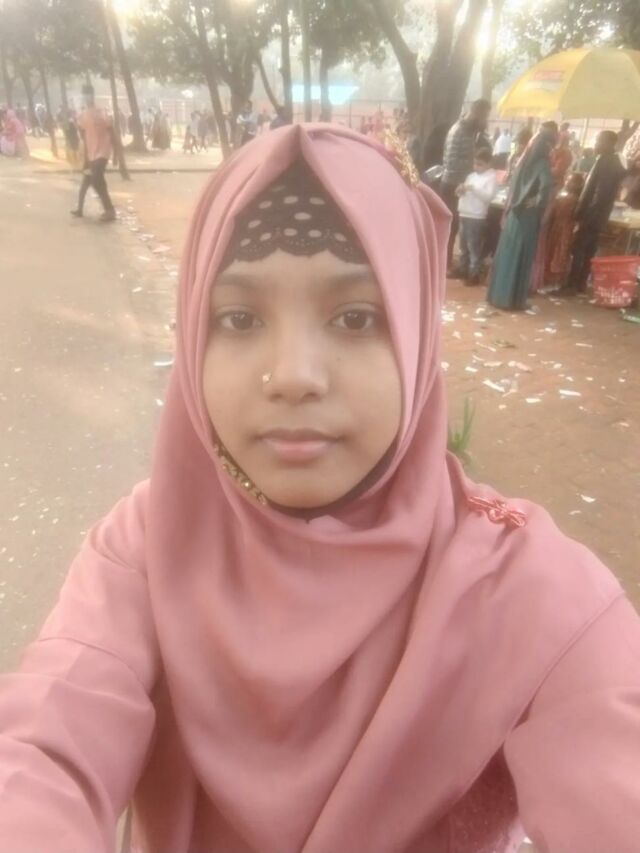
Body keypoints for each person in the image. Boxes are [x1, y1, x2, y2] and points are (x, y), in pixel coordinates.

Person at [1, 124, 640, 853]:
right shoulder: (147, 549)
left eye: (356, 317)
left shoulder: (526, 591)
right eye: (239, 318)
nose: (294, 375)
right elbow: (45, 745)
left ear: (416, 337)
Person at [487, 122, 557, 310]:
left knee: (507, 255)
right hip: (527, 217)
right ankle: (513, 300)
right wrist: (537, 201)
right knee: (521, 256)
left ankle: (498, 296)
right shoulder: (542, 164)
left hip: (513, 215)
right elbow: (546, 186)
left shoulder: (521, 162)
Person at [566, 130, 626, 295]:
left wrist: (585, 215)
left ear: (608, 143)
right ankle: (580, 284)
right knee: (588, 251)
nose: (595, 144)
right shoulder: (611, 161)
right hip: (599, 216)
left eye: (599, 140)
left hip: (592, 216)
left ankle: (572, 285)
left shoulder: (606, 162)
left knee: (580, 249)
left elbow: (599, 194)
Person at [438, 98, 492, 273]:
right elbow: (452, 162)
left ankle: (448, 263)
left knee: (454, 227)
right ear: (478, 113)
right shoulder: (460, 131)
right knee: (451, 227)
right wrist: (472, 170)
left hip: (457, 184)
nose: (486, 121)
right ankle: (444, 264)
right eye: (485, 117)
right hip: (452, 184)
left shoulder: (467, 131)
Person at [70, 85, 116, 222]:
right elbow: (83, 136)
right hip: (91, 153)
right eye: (85, 94)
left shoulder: (102, 112)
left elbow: (111, 131)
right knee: (90, 181)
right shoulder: (82, 116)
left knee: (96, 180)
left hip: (103, 151)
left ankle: (109, 210)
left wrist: (116, 153)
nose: (87, 97)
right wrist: (85, 157)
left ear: (93, 95)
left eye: (88, 94)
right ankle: (82, 209)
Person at [455, 147, 498, 284]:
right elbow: (460, 193)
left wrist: (473, 189)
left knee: (474, 247)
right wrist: (460, 190)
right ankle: (463, 269)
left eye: (480, 164)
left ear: (489, 163)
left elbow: (488, 197)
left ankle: (474, 274)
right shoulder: (471, 176)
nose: (476, 167)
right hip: (464, 212)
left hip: (476, 216)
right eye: (475, 163)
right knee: (463, 246)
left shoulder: (491, 178)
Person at [542, 171, 585, 288]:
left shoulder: (565, 198)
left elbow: (552, 212)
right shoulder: (576, 200)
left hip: (561, 228)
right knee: (560, 254)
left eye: (569, 181)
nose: (566, 182)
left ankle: (552, 279)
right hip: (565, 229)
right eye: (567, 180)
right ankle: (556, 279)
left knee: (556, 253)